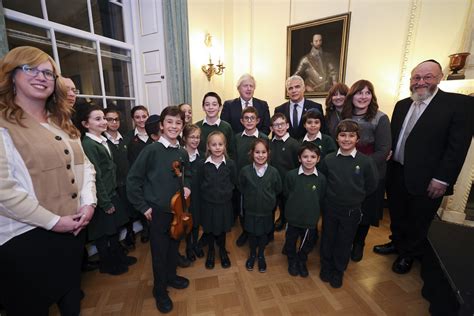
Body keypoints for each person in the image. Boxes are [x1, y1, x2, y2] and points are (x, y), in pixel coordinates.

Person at [0, 46, 96, 315]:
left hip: (71, 231)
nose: (42, 77)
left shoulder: (61, 122)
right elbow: (4, 191)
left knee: (71, 301)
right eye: (31, 69)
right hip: (23, 240)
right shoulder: (3, 125)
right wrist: (54, 222)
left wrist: (88, 203)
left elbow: (84, 166)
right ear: (12, 75)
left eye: (48, 73)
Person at [373, 60, 472, 274]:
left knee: (419, 219)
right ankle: (397, 243)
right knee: (398, 213)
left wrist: (443, 179)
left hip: (429, 178)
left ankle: (409, 254)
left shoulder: (456, 105)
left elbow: (457, 148)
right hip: (397, 171)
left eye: (427, 77)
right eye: (416, 77)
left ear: (439, 78)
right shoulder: (402, 105)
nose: (421, 82)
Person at [127, 106, 191, 313]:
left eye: (178, 123)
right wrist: (143, 207)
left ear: (182, 126)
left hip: (177, 210)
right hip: (157, 212)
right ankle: (159, 290)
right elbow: (133, 180)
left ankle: (171, 277)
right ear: (161, 125)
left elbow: (184, 174)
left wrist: (186, 185)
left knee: (174, 246)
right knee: (159, 252)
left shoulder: (181, 151)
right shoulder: (152, 150)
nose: (174, 126)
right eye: (169, 122)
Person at [319, 120, 378, 288]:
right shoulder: (329, 160)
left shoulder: (366, 162)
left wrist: (356, 197)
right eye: (343, 135)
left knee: (344, 241)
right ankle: (326, 265)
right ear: (336, 138)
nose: (346, 139)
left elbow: (371, 185)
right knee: (328, 237)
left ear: (357, 139)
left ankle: (338, 270)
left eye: (351, 135)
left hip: (351, 210)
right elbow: (322, 181)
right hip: (330, 207)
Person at [78, 105, 137, 275]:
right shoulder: (89, 145)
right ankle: (107, 264)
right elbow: (95, 176)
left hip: (111, 191)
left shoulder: (101, 140)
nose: (104, 122)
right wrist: (104, 202)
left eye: (103, 118)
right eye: (98, 119)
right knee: (102, 232)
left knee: (114, 228)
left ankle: (118, 257)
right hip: (102, 196)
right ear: (85, 124)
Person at [340, 80, 391, 262]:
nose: (363, 97)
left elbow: (384, 150)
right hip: (345, 169)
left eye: (367, 93)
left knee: (365, 210)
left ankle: (359, 243)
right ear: (352, 96)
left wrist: (360, 166)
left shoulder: (380, 118)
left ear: (372, 96)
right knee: (348, 207)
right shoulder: (344, 116)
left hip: (371, 170)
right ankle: (345, 240)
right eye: (359, 93)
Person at [283, 142, 326, 278]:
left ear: (318, 159)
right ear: (299, 158)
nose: (309, 160)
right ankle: (292, 260)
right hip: (293, 217)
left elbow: (320, 197)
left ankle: (301, 260)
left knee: (307, 243)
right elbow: (286, 193)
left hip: (310, 219)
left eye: (313, 157)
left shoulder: (321, 179)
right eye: (305, 156)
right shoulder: (291, 176)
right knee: (290, 241)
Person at [196, 131, 237, 270]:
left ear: (225, 146)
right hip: (208, 204)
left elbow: (233, 182)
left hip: (224, 204)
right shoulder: (202, 165)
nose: (217, 147)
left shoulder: (230, 164)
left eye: (220, 144)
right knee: (210, 229)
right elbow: (200, 182)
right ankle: (211, 252)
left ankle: (222, 251)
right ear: (208, 146)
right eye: (214, 145)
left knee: (222, 229)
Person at [239, 139, 282, 272]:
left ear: (268, 153)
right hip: (251, 210)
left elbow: (278, 188)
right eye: (257, 152)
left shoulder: (274, 172)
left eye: (263, 152)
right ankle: (252, 254)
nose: (260, 155)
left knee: (263, 234)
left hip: (266, 211)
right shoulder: (245, 171)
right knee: (251, 233)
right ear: (252, 153)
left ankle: (261, 255)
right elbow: (241, 187)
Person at [234, 106, 269, 247]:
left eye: (252, 118)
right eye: (246, 118)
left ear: (258, 120)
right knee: (243, 209)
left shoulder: (264, 138)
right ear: (242, 121)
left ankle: (262, 233)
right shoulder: (236, 138)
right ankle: (246, 231)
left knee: (259, 208)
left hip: (260, 181)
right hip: (243, 181)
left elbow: (268, 159)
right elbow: (234, 159)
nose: (249, 121)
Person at [104, 108, 136, 251]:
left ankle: (130, 234)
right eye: (110, 119)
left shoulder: (124, 139)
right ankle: (116, 244)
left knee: (129, 211)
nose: (114, 122)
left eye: (116, 119)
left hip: (126, 182)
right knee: (117, 214)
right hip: (113, 185)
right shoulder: (103, 141)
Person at [268, 113, 300, 232]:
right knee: (272, 205)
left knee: (286, 206)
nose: (279, 127)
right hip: (273, 183)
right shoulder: (269, 143)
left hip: (288, 183)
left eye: (282, 124)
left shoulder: (294, 144)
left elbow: (298, 165)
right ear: (271, 128)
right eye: (276, 125)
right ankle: (270, 227)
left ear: (287, 125)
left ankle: (284, 221)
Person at [127, 105, 152, 243]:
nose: (141, 120)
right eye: (137, 117)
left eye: (144, 116)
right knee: (142, 203)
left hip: (153, 178)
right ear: (133, 119)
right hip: (139, 178)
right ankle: (145, 229)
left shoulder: (155, 136)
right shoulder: (129, 138)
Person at [274, 75, 326, 139]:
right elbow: (276, 134)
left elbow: (322, 131)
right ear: (287, 92)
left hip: (310, 146)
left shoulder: (316, 107)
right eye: (290, 88)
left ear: (304, 88)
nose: (294, 90)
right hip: (287, 147)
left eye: (297, 87)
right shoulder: (279, 110)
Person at [182, 124, 205, 261]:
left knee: (196, 221)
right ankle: (188, 247)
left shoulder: (202, 156)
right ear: (184, 138)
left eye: (197, 137)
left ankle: (195, 244)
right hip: (184, 197)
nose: (195, 140)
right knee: (186, 222)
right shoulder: (179, 155)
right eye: (192, 137)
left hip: (198, 195)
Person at [196, 92, 235, 158]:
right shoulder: (197, 127)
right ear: (203, 107)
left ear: (220, 107)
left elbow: (231, 152)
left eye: (214, 104)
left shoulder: (227, 127)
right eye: (207, 105)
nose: (211, 107)